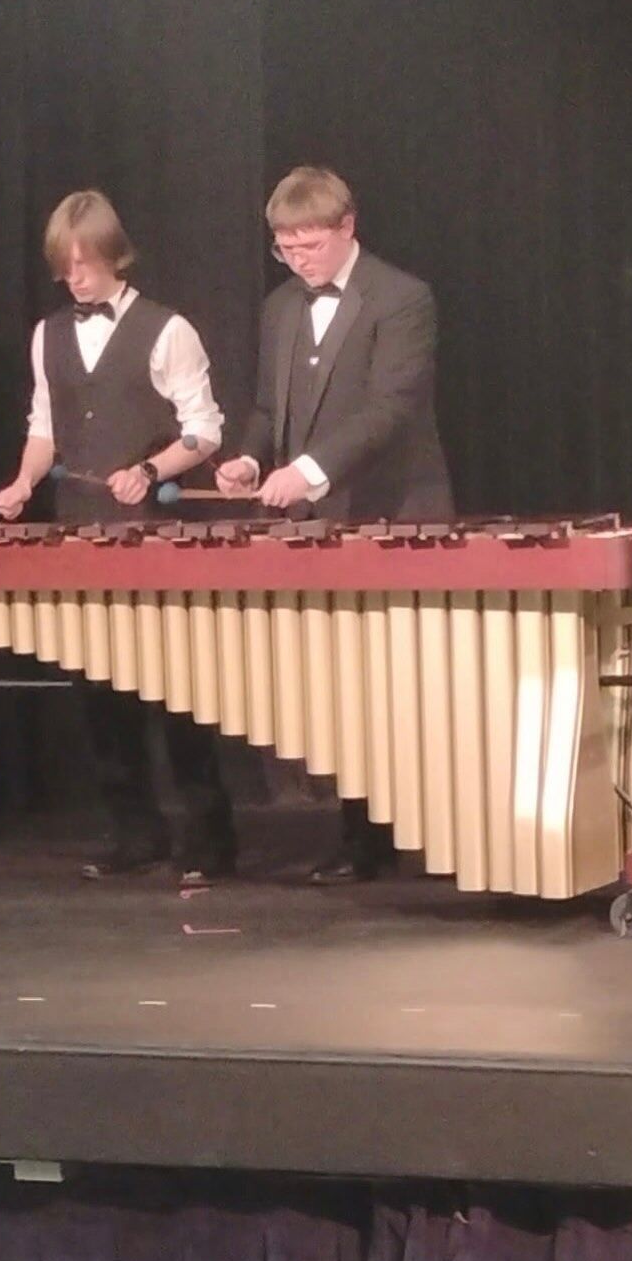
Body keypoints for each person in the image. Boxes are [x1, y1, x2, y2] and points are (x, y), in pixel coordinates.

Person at [216, 166, 454, 883]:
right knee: (344, 687)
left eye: (310, 245)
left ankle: (437, 829)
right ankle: (363, 841)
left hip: (392, 513)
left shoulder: (403, 298)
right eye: (285, 248)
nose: (298, 260)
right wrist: (251, 461)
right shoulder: (281, 307)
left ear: (348, 226)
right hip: (316, 521)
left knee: (401, 687)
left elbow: (392, 407)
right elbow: (267, 407)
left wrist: (310, 469)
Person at [0, 189, 236, 884]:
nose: (75, 279)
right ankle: (136, 834)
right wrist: (21, 482)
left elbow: (206, 429)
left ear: (113, 255)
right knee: (100, 693)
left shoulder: (169, 330)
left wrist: (151, 468)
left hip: (158, 537)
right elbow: (45, 426)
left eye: (85, 265)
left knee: (180, 695)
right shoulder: (48, 334)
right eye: (64, 268)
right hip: (81, 531)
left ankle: (210, 844)